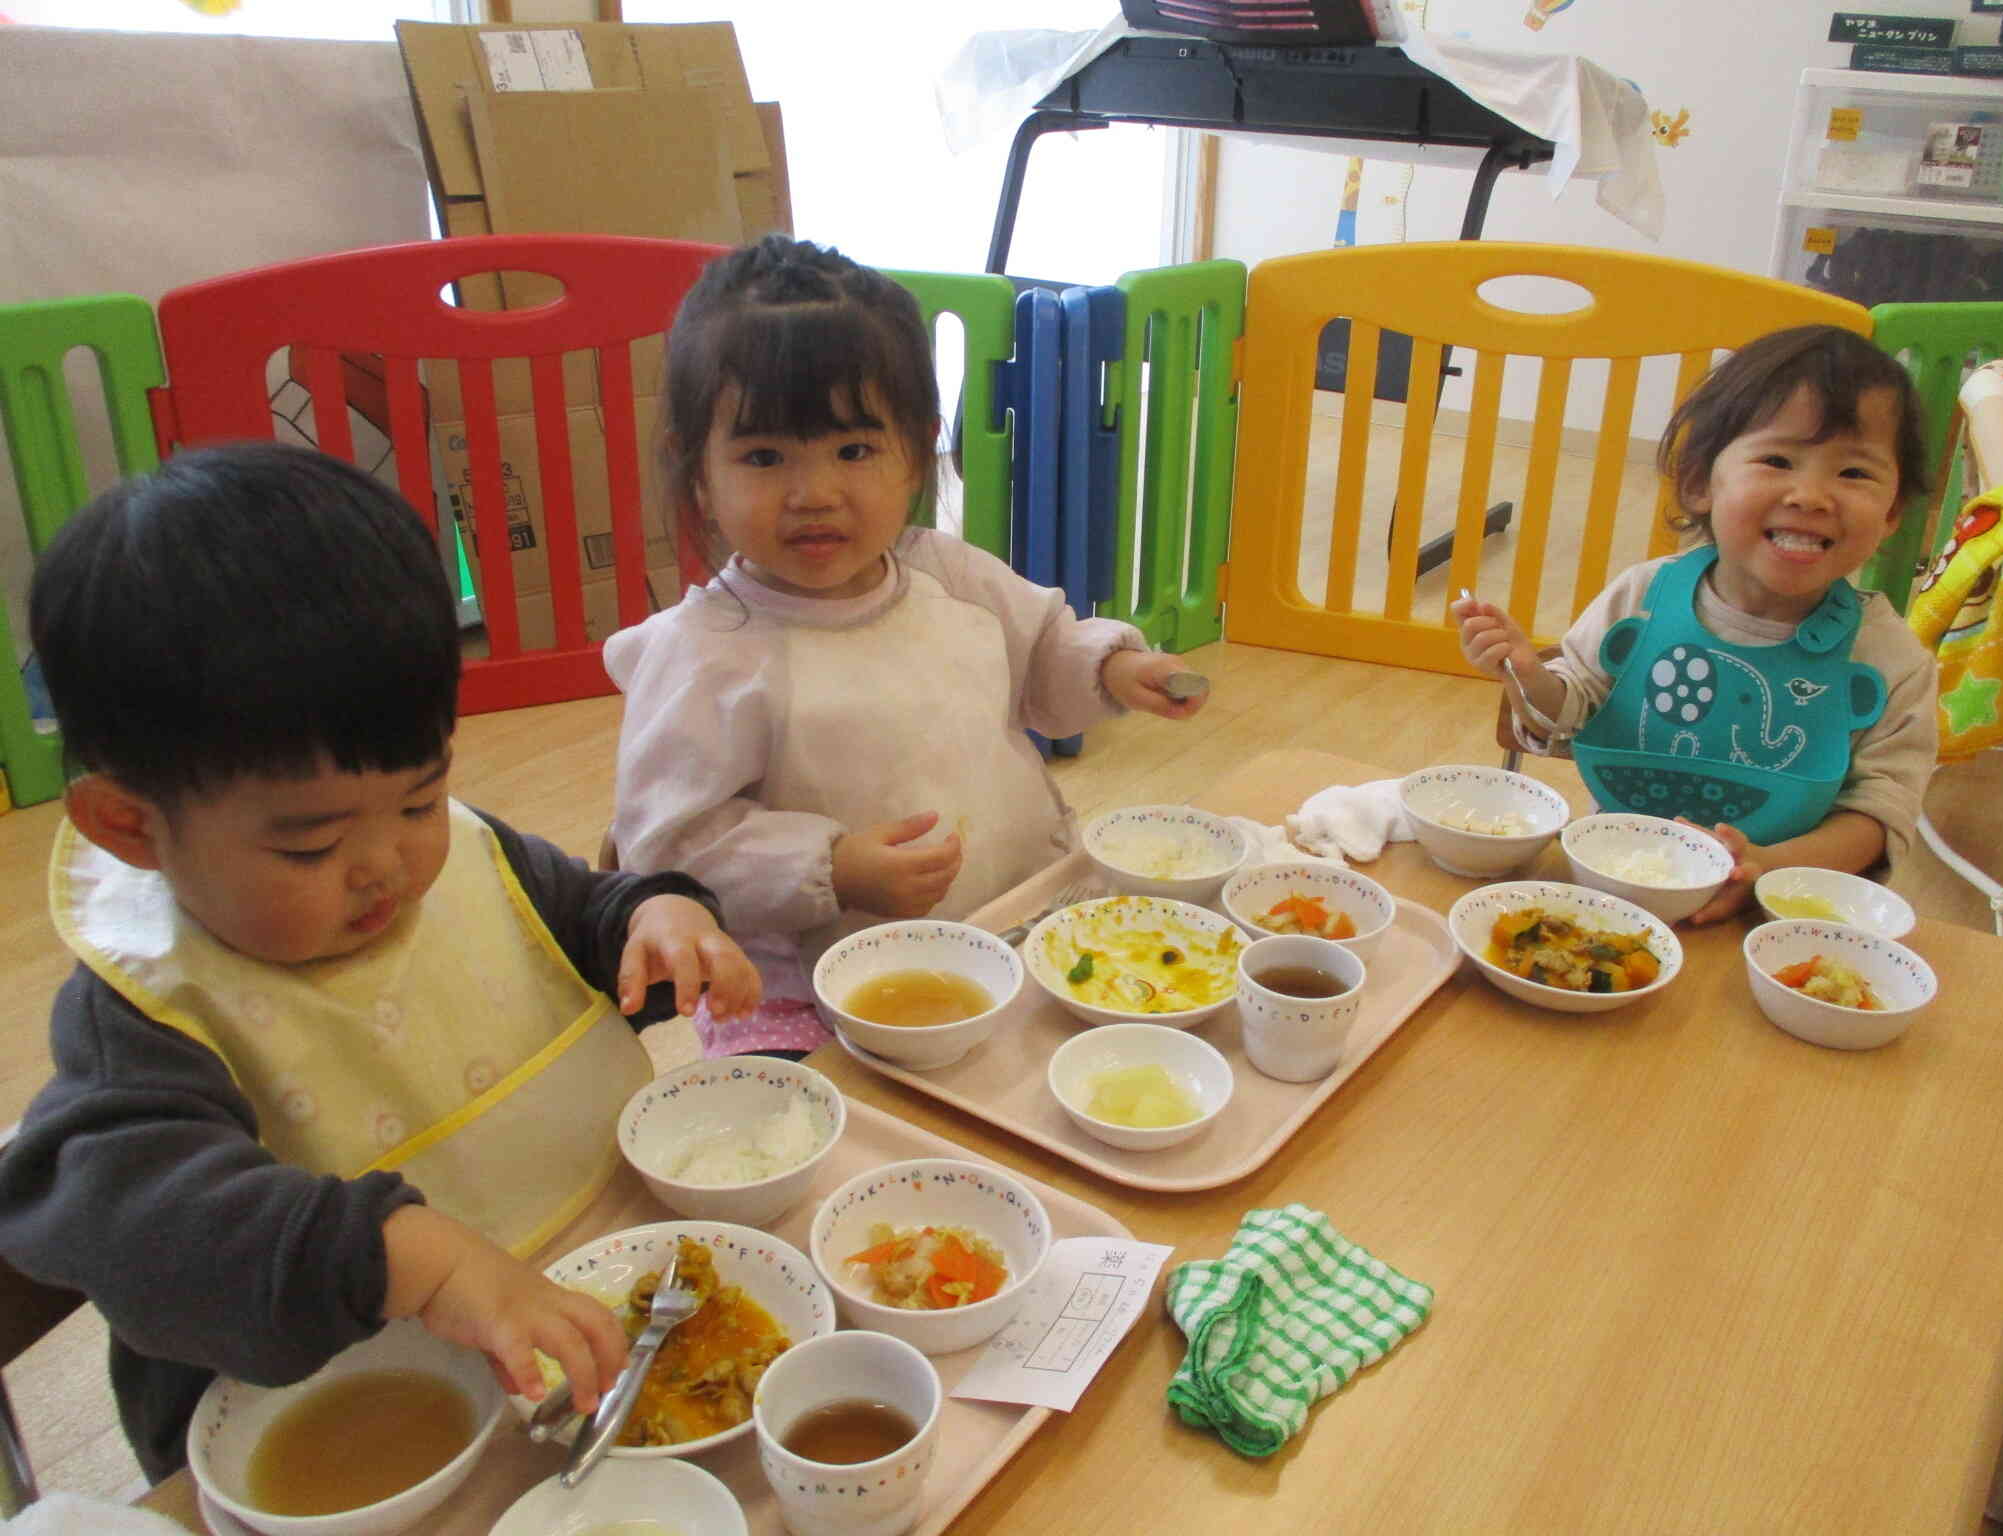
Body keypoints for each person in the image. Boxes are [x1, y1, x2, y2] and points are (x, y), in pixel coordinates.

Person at [0, 443, 761, 1480]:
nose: (387, 865)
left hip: (593, 1322)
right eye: (308, 846)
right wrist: (418, 1260)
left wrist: (658, 915)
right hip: (350, 1445)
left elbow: (581, 917)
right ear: (131, 825)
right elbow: (129, 1220)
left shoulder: (461, 860)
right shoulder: (146, 1008)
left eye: (418, 798)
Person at [605, 235, 1206, 1056]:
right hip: (816, 988)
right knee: (831, 1137)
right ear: (700, 476)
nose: (814, 494)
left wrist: (1115, 666)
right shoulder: (708, 651)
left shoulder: (948, 575)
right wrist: (832, 865)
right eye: (764, 457)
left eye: (854, 451)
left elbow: (1043, 653)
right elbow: (669, 845)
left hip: (1014, 922)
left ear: (918, 455)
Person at [1454, 324, 1938, 924]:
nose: (1811, 495)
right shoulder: (1644, 596)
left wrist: (1764, 867)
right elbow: (1568, 715)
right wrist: (1528, 673)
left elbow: (1879, 812)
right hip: (1615, 881)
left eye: (1854, 473)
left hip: (1778, 910)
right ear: (1699, 482)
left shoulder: (1889, 658)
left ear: (1893, 512)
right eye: (1778, 460)